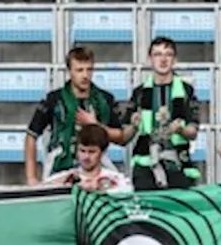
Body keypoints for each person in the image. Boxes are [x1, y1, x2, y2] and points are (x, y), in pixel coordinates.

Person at [24, 46, 124, 184]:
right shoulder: (53, 99)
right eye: (79, 70)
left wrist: (95, 125)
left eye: (89, 70)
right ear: (69, 71)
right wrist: (31, 178)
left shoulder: (106, 99)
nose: (85, 75)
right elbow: (31, 135)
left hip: (97, 170)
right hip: (59, 170)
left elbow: (121, 137)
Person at [126, 37, 202, 190]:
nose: (163, 59)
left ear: (174, 60)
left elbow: (193, 132)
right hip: (145, 162)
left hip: (178, 162)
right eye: (158, 54)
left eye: (168, 54)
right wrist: (134, 126)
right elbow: (125, 135)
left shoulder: (187, 91)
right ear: (150, 59)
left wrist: (181, 129)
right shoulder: (139, 93)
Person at [43, 124, 133, 193]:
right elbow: (40, 190)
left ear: (103, 152)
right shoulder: (64, 178)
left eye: (91, 152)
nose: (86, 157)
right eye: (82, 151)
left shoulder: (118, 180)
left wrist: (99, 188)